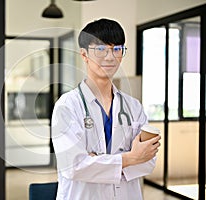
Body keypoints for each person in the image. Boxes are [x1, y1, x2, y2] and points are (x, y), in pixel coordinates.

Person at [51, 18, 161, 200]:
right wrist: (129, 158)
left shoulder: (133, 107)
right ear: (84, 55)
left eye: (117, 49)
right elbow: (73, 166)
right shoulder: (68, 106)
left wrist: (96, 161)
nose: (110, 57)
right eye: (101, 49)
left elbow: (148, 162)